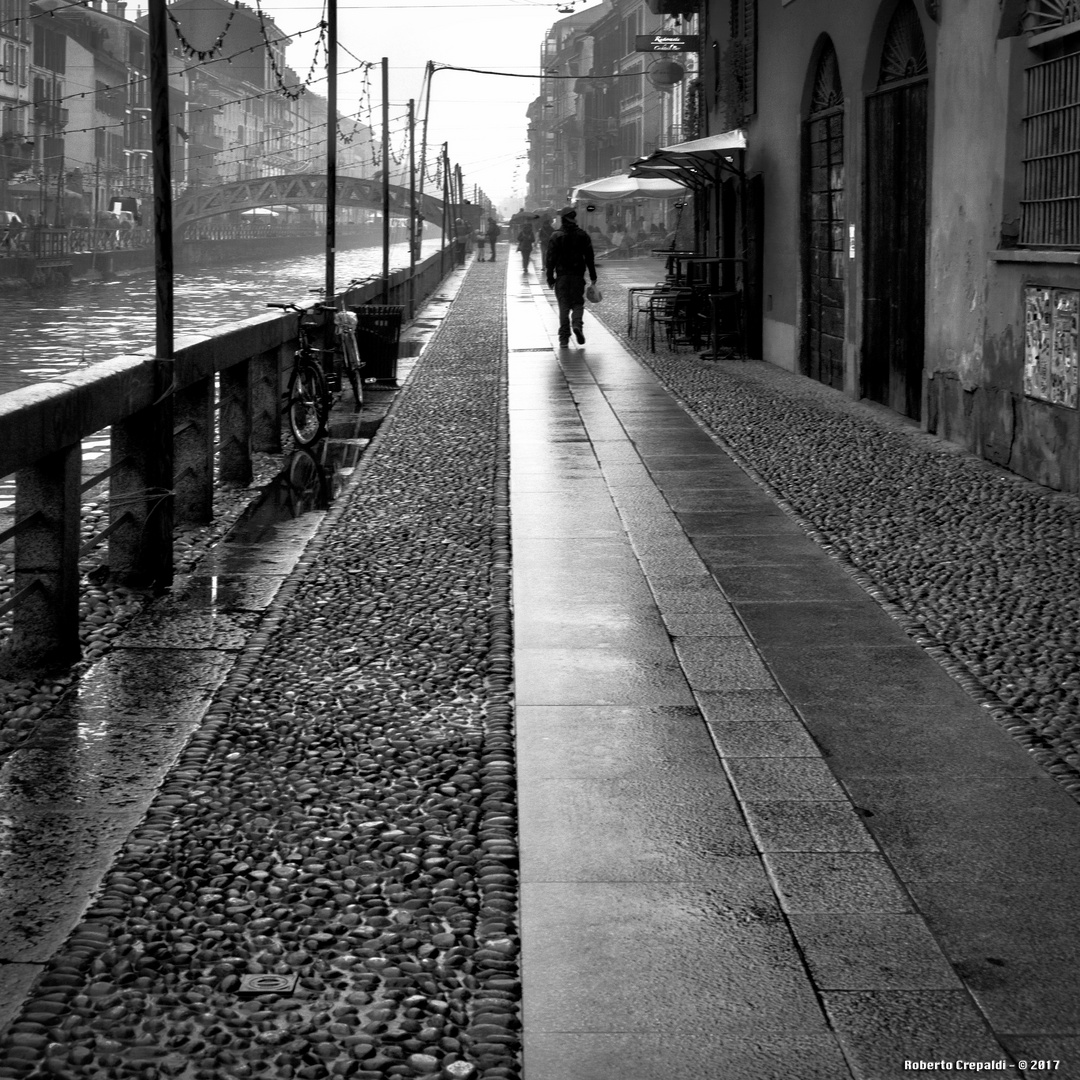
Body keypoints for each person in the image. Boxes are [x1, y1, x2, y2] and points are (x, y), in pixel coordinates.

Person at [545, 206, 597, 348]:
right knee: (577, 303)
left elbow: (550, 259)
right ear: (574, 218)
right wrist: (593, 275)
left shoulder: (556, 236)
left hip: (562, 276)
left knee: (564, 306)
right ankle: (577, 324)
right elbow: (589, 257)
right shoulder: (583, 235)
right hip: (577, 276)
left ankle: (564, 338)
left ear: (562, 219)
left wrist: (550, 277)